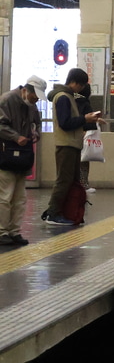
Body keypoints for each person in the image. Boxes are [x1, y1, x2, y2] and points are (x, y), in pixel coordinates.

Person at [43, 68, 101, 226]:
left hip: (72, 144)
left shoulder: (69, 97)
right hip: (66, 144)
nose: (81, 89)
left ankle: (66, 211)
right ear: (74, 82)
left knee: (71, 180)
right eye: (80, 85)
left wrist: (88, 119)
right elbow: (65, 123)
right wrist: (85, 118)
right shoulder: (63, 98)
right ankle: (53, 213)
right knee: (64, 180)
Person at [0, 77, 46, 245]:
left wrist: (36, 133)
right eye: (34, 97)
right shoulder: (6, 100)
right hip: (5, 154)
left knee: (20, 198)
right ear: (26, 90)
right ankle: (2, 231)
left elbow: (37, 124)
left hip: (23, 156)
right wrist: (16, 136)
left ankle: (14, 231)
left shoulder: (31, 106)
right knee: (5, 196)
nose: (34, 101)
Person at [75, 82, 97, 193]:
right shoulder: (84, 103)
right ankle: (84, 185)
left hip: (74, 135)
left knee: (76, 162)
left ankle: (78, 185)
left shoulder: (72, 101)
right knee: (83, 162)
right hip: (85, 135)